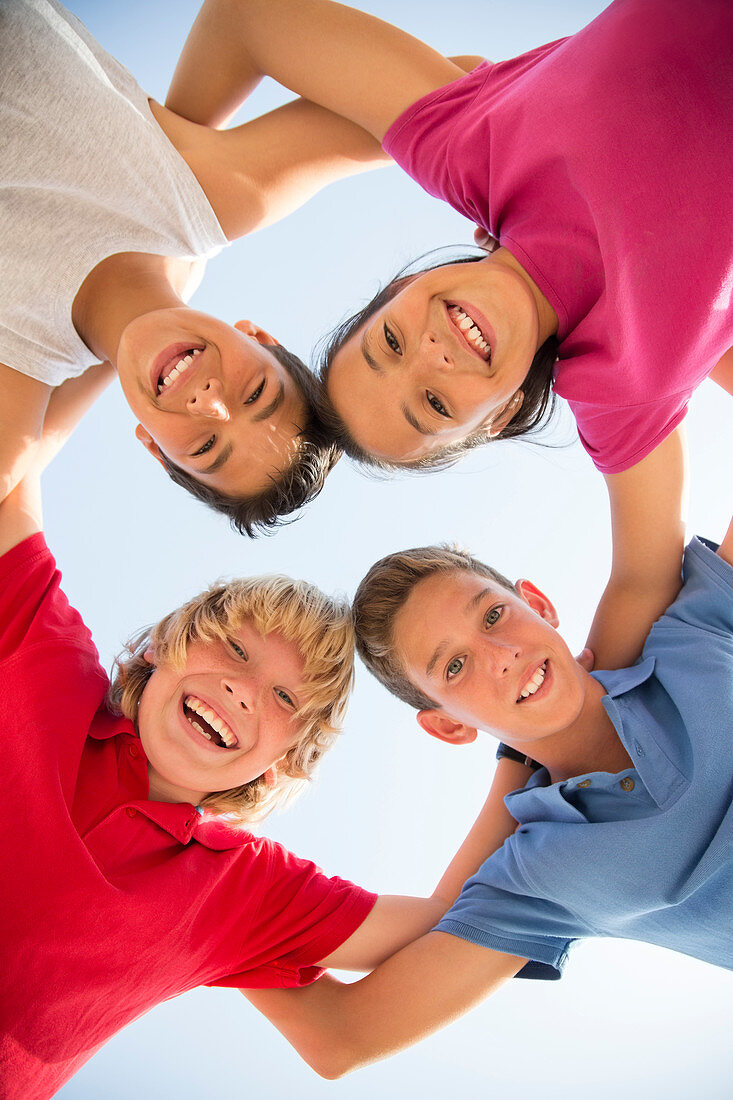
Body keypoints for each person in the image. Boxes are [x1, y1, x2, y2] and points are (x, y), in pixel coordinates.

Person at [0, 375, 534, 1099]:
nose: (240, 691)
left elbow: (438, 925)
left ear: (283, 764)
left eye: (283, 699)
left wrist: (521, 755)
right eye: (234, 651)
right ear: (162, 647)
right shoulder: (48, 666)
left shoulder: (237, 890)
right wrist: (120, 340)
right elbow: (12, 470)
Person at [205, 0, 733, 667]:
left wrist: (172, 225)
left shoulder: (467, 146)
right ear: (500, 415)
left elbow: (246, 19)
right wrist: (539, 755)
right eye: (434, 403)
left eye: (389, 344)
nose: (430, 355)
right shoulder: (621, 384)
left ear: (397, 292)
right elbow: (642, 580)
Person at [232, 517, 733, 1079]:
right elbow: (340, 1035)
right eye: (455, 665)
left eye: (494, 616)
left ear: (539, 605)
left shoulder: (697, 629)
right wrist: (209, 897)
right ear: (448, 727)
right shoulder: (535, 879)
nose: (500, 655)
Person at [0, 0, 394, 534]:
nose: (211, 404)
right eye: (255, 393)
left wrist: (102, 371)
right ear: (258, 336)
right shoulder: (204, 200)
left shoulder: (22, 373)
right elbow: (451, 102)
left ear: (155, 450)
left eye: (208, 447)